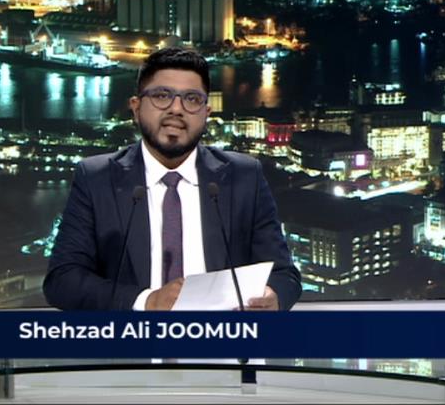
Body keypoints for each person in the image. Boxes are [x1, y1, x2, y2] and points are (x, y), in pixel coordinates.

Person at [43, 47, 301, 311]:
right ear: (136, 107)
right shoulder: (96, 178)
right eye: (162, 96)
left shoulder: (245, 176)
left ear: (206, 113)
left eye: (192, 99)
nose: (176, 109)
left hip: (222, 335)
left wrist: (273, 296)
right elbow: (62, 281)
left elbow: (284, 276)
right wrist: (146, 301)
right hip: (133, 335)